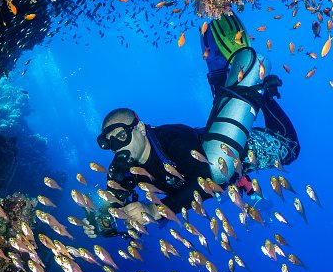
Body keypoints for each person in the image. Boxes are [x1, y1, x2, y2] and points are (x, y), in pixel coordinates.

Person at [85, 13, 300, 238]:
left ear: (139, 128)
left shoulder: (170, 138)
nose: (117, 147)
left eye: (120, 136)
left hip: (238, 151)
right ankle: (218, 75)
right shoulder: (121, 168)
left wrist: (153, 210)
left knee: (290, 149)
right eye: (108, 143)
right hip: (217, 159)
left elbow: (205, 182)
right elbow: (114, 204)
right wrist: (102, 221)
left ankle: (262, 94)